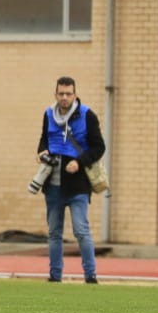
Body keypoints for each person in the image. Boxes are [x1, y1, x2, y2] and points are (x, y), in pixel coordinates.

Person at [36, 76, 105, 284]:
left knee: (81, 230)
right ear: (55, 94)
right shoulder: (49, 114)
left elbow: (99, 147)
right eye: (61, 94)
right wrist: (41, 152)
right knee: (54, 233)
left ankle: (90, 275)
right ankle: (55, 275)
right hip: (53, 184)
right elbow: (43, 139)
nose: (64, 97)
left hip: (78, 186)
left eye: (68, 93)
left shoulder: (87, 115)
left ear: (74, 94)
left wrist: (80, 162)